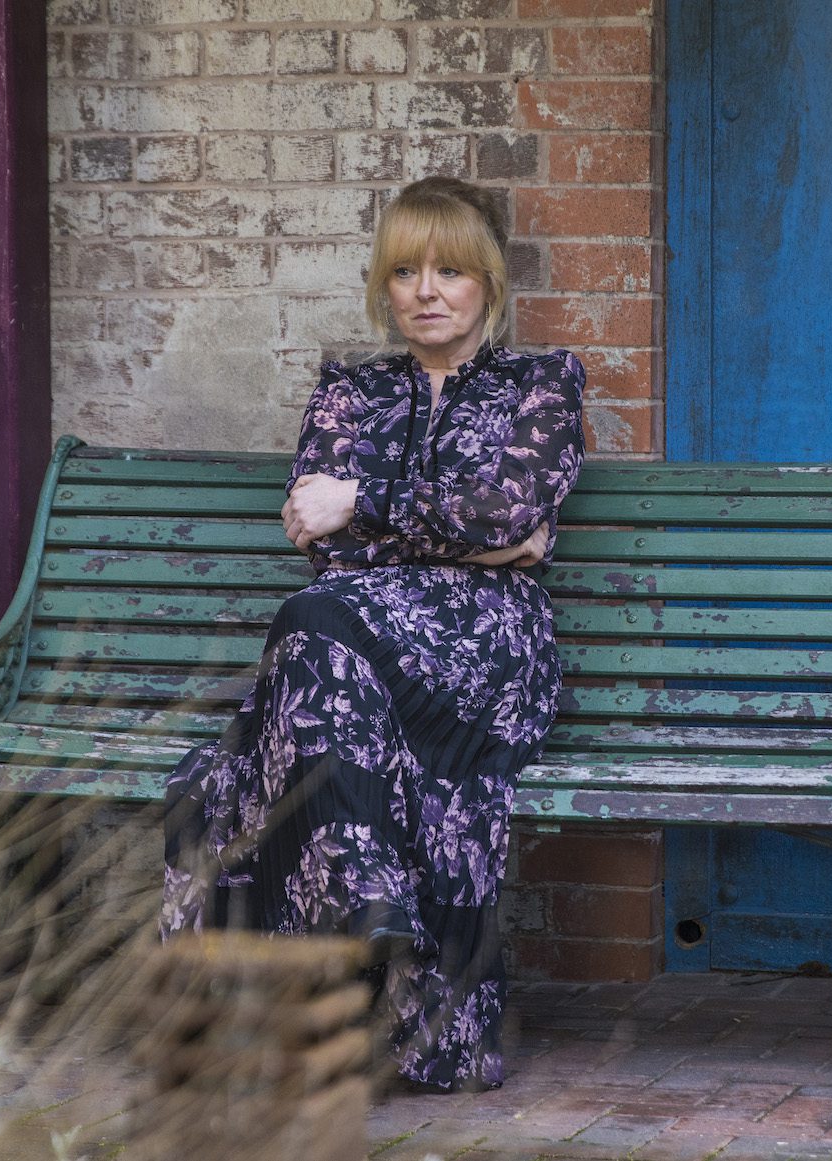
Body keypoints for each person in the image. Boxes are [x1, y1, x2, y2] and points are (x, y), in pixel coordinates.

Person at [160, 175, 586, 1092]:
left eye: (449, 271)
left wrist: (364, 501)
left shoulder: (539, 386)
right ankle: (367, 904)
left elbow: (506, 509)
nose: (425, 291)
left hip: (485, 651)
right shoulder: (349, 391)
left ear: (488, 282)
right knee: (320, 636)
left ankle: (351, 900)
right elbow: (321, 537)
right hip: (357, 646)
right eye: (403, 271)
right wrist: (483, 539)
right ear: (382, 285)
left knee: (312, 625)